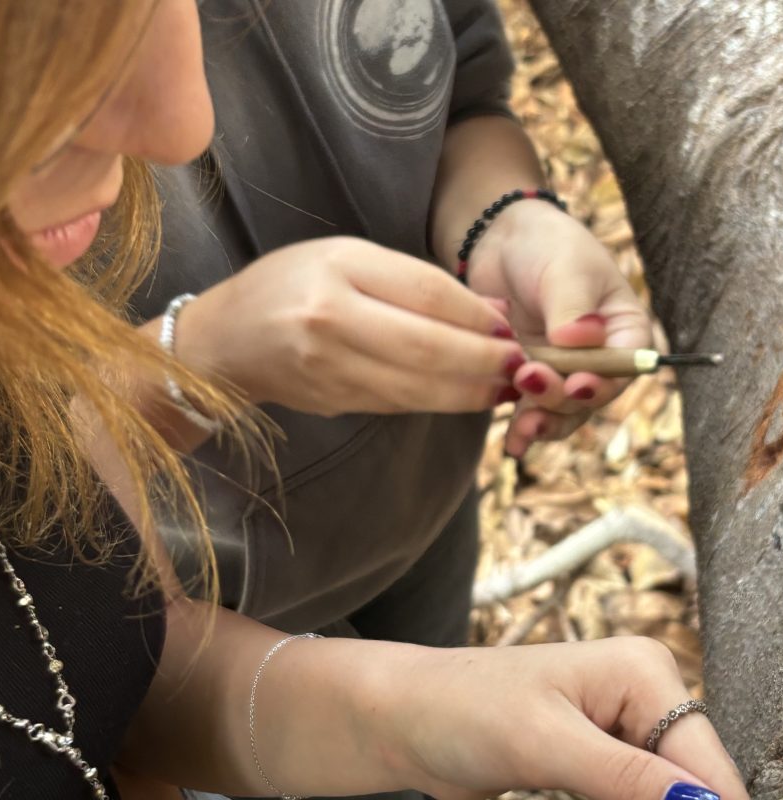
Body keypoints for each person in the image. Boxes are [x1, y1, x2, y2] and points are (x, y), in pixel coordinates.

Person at [0, 2, 752, 800]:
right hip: (230, 582)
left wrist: (423, 718)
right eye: (38, 39)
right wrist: (194, 359)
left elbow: (108, 672)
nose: (184, 127)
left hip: (407, 529)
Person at [130, 0, 656, 645]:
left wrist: (502, 222)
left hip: (426, 495)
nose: (186, 130)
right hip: (172, 605)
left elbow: (465, 96)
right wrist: (195, 359)